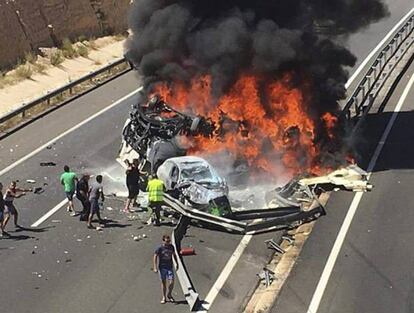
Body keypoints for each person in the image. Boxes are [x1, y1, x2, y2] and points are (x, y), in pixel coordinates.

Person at [153, 235, 179, 304]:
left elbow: (174, 254)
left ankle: (169, 294)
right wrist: (155, 267)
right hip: (162, 268)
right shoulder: (160, 248)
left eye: (169, 241)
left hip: (169, 267)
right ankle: (164, 297)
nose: (168, 243)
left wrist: (177, 263)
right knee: (163, 283)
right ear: (163, 241)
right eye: (167, 241)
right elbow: (155, 256)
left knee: (172, 282)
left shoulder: (171, 247)